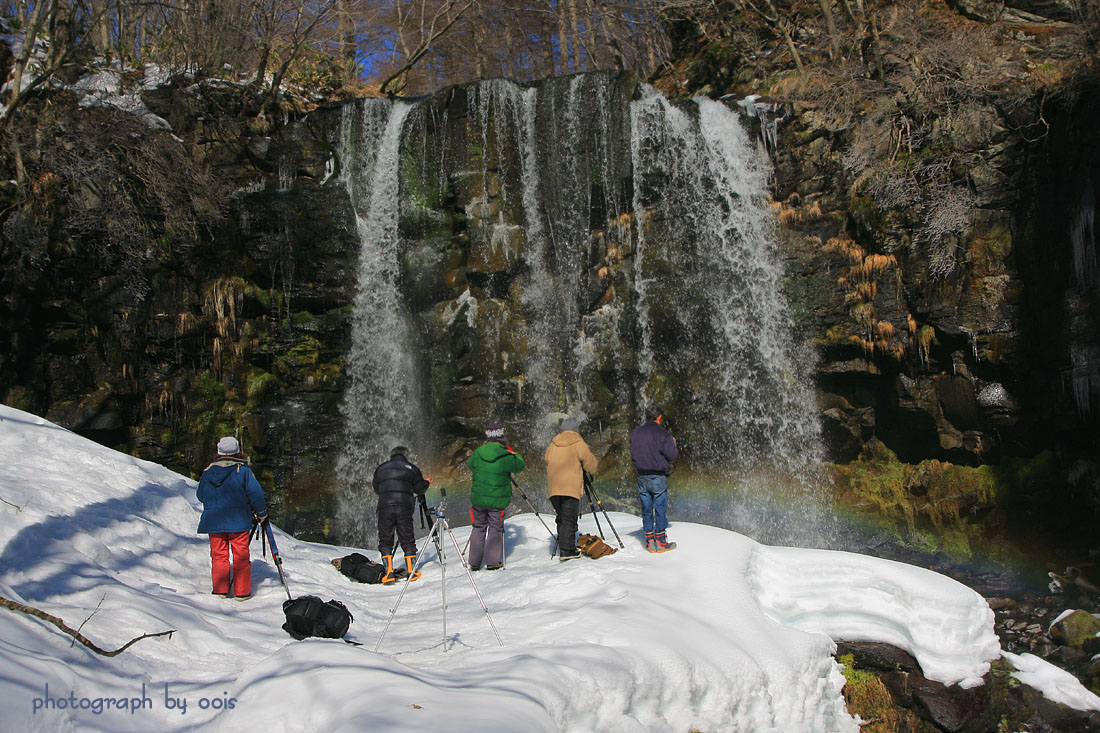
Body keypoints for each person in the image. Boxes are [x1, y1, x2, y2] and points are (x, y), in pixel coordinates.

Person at [196, 436, 268, 600]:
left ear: (219, 452)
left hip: (214, 521)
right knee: (241, 556)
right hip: (238, 521)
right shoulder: (243, 471)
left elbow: (200, 495)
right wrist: (261, 513)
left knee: (219, 556)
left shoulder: (208, 472)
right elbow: (255, 494)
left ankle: (220, 590)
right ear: (237, 452)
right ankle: (241, 592)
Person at [467, 423, 525, 570]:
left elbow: (470, 465)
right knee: (495, 528)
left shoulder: (478, 452)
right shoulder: (505, 454)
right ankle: (492, 562)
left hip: (478, 499)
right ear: (501, 436)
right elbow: (520, 465)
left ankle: (474, 562)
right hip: (497, 500)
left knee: (478, 527)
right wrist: (511, 451)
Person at [373, 446, 431, 584]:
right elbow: (419, 488)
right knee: (407, 536)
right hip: (404, 506)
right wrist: (427, 482)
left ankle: (388, 573)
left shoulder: (381, 468)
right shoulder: (411, 468)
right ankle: (411, 571)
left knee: (385, 538)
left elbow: (377, 488)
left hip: (385, 507)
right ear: (406, 455)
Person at [544, 417, 599, 561]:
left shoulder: (553, 443)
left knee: (561, 518)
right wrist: (592, 471)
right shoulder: (579, 443)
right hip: (570, 487)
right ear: (576, 430)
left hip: (554, 488)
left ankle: (563, 544)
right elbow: (590, 463)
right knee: (569, 518)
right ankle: (567, 551)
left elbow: (546, 459)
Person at [629, 405, 679, 552]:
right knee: (660, 508)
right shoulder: (663, 434)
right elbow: (672, 456)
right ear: (659, 417)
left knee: (646, 509)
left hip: (642, 477)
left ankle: (650, 541)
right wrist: (674, 445)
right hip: (658, 476)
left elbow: (633, 452)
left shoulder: (636, 433)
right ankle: (661, 541)